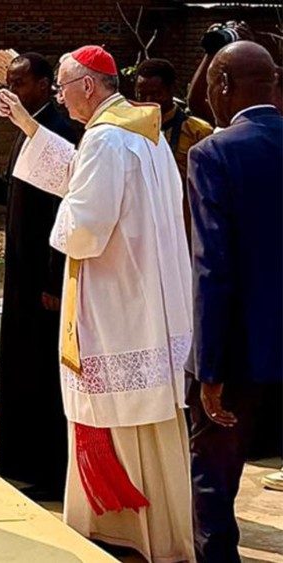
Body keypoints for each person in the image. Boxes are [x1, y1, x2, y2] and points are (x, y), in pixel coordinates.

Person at [0, 46, 194, 562]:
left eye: (63, 87)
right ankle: (157, 532)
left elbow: (84, 229)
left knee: (119, 418)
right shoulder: (144, 133)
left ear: (87, 86)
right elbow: (84, 176)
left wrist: (57, 225)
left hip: (116, 306)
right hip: (143, 299)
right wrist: (29, 128)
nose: (60, 98)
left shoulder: (106, 140)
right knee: (145, 425)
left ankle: (123, 530)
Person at [0, 53, 81, 499]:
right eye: (9, 82)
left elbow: (65, 212)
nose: (12, 92)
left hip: (44, 277)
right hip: (21, 274)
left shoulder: (60, 132)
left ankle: (51, 471)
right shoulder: (27, 132)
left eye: (21, 83)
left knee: (44, 376)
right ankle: (24, 463)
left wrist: (54, 281)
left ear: (45, 85)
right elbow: (18, 195)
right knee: (21, 369)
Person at [186, 41, 283, 563]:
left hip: (241, 351)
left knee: (214, 480)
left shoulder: (214, 154)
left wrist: (209, 368)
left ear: (222, 85)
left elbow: (214, 267)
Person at [135, 58, 213, 231]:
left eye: (156, 94)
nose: (148, 101)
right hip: (143, 227)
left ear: (171, 90)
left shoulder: (198, 132)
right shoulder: (130, 132)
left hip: (184, 226)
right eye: (141, 95)